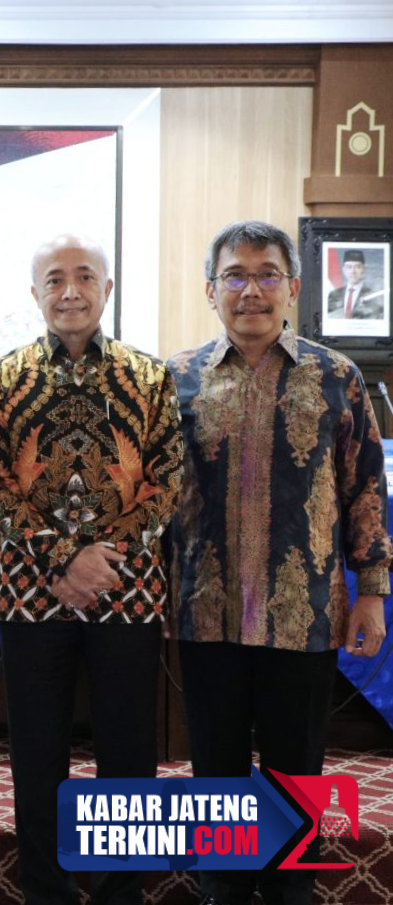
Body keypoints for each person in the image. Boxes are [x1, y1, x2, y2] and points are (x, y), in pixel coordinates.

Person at [168, 220, 392, 905]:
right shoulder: (177, 380)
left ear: (294, 287)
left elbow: (365, 490)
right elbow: (152, 500)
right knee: (218, 777)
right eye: (235, 275)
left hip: (305, 615)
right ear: (211, 290)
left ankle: (290, 893)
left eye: (267, 274)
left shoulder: (338, 378)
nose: (251, 290)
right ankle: (225, 893)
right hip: (207, 615)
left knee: (296, 774)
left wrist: (372, 591)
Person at [0, 234, 183, 905]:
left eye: (84, 276)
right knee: (38, 752)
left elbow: (168, 482)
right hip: (32, 596)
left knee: (128, 752)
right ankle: (47, 889)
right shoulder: (1, 379)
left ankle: (122, 890)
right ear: (35, 294)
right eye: (54, 279)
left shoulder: (150, 378)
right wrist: (62, 557)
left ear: (107, 289)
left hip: (128, 589)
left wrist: (99, 560)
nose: (70, 290)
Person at [325, 249, 382, 320]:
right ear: (344, 270)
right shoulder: (333, 295)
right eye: (349, 267)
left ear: (364, 269)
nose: (353, 271)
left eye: (358, 267)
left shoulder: (372, 296)